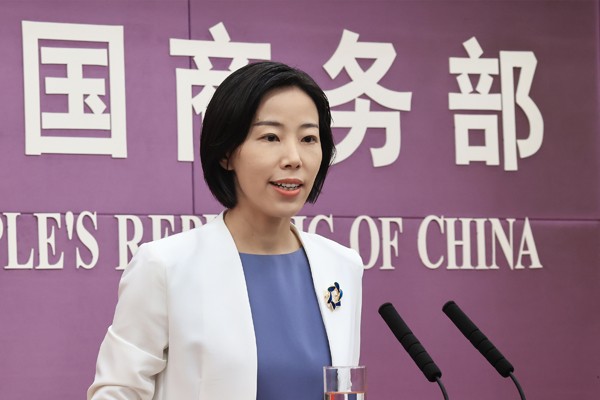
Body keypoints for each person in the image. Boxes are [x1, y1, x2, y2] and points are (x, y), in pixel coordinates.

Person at [87, 61, 364, 400]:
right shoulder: (165, 265)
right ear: (226, 154)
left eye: (308, 138)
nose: (294, 158)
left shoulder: (342, 266)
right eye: (271, 137)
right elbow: (117, 391)